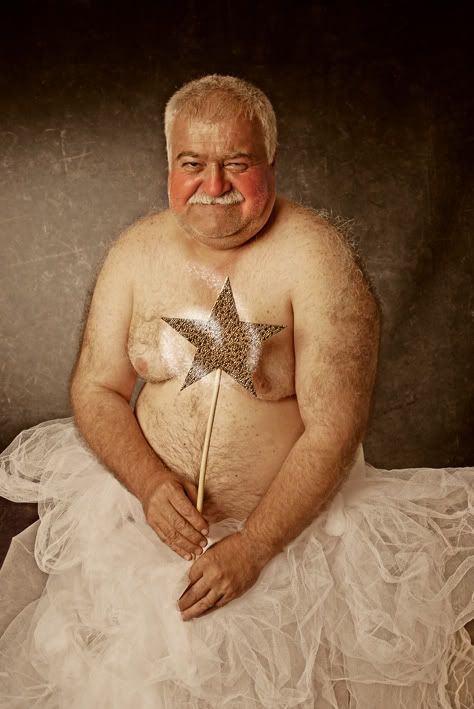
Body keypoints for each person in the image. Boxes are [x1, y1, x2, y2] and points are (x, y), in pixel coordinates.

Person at [0, 74, 473, 708]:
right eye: (192, 163)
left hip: (287, 541)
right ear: (170, 163)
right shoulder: (134, 254)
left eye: (238, 164)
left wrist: (254, 546)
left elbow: (335, 429)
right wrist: (149, 483)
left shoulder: (319, 260)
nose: (214, 184)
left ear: (270, 162)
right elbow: (97, 387)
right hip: (143, 527)